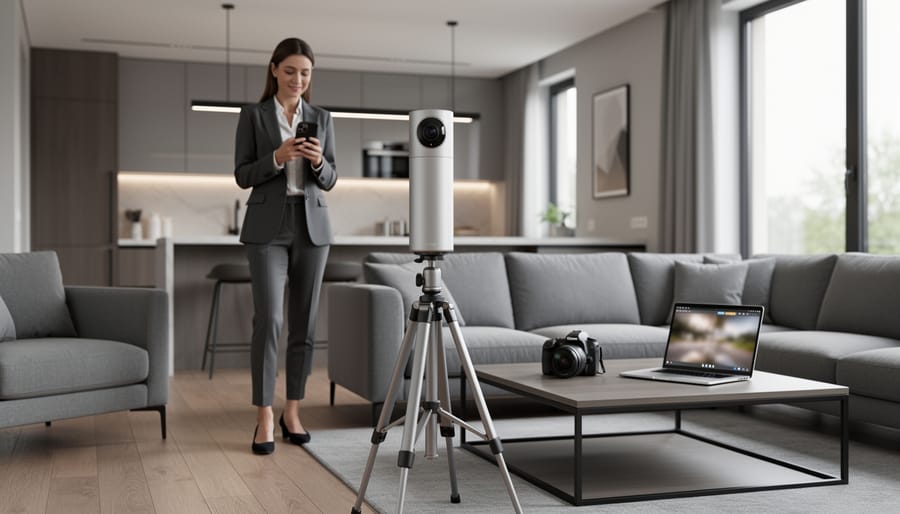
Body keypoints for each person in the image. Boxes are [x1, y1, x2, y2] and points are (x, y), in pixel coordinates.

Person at [234, 37, 337, 455]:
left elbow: (330, 178)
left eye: (306, 72)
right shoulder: (254, 116)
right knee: (270, 320)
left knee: (305, 323)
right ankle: (263, 416)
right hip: (266, 228)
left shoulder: (322, 118)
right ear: (275, 69)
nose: (298, 79)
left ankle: (292, 410)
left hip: (312, 225)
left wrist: (316, 161)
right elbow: (242, 174)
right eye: (291, 70)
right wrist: (277, 157)